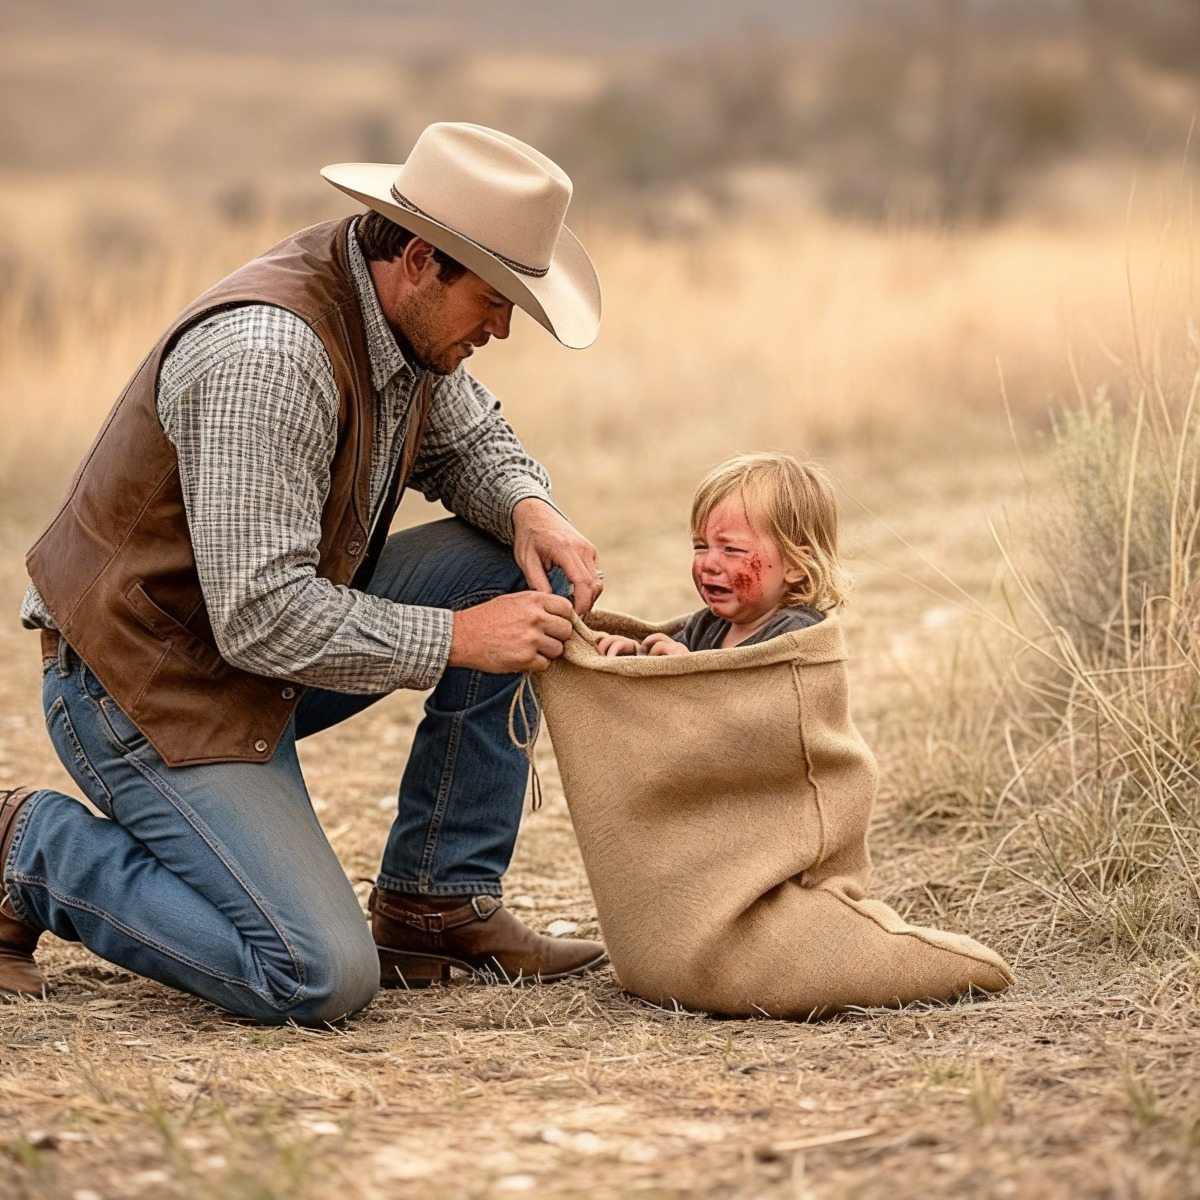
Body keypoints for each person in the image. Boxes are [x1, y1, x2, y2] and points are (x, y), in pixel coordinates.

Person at [0, 122, 610, 1022]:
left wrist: (532, 507)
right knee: (314, 974)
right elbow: (261, 616)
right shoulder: (271, 355)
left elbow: (470, 439)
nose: (503, 328)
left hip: (257, 661)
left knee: (516, 573)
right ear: (416, 258)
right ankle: (29, 849)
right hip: (148, 688)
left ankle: (431, 905)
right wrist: (457, 639)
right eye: (493, 299)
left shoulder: (399, 315)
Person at [595, 453, 849, 657]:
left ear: (795, 565)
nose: (709, 564)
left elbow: (760, 702)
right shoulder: (704, 627)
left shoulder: (797, 634)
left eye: (731, 549)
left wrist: (687, 671)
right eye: (700, 546)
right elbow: (664, 672)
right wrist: (635, 656)